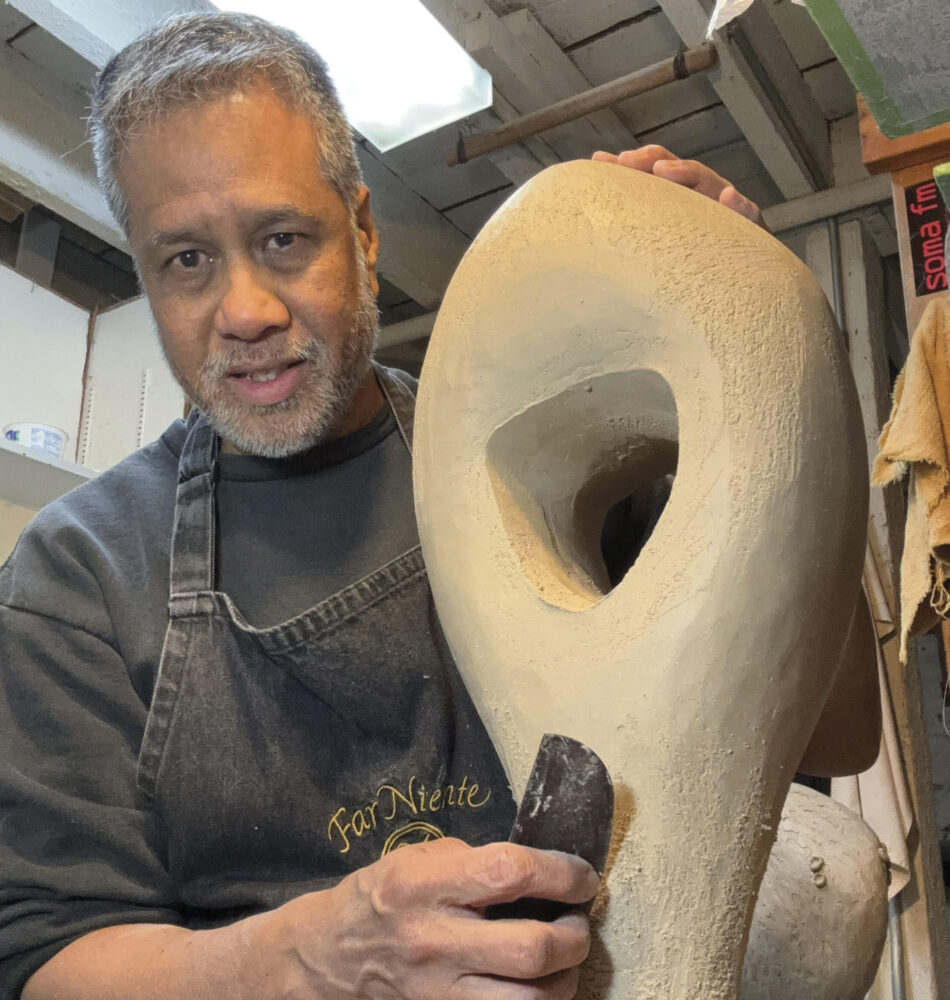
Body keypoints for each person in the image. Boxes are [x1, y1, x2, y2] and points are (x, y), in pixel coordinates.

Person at [0, 11, 875, 1000]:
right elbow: (44, 961)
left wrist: (766, 398)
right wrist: (314, 957)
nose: (245, 310)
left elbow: (835, 738)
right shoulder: (77, 573)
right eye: (186, 261)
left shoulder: (563, 458)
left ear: (363, 232)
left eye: (283, 238)